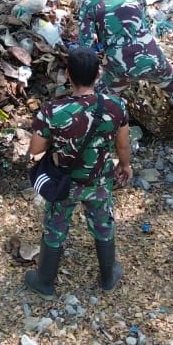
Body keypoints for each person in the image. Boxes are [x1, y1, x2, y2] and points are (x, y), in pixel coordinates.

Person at [24, 47, 132, 296]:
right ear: (98, 74)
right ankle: (108, 276)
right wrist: (125, 166)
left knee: (55, 226)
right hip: (99, 181)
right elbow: (123, 145)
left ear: (68, 75)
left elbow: (35, 150)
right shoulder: (117, 106)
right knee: (103, 222)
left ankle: (45, 281)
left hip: (64, 182)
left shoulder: (52, 111)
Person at [76, 0, 173, 166]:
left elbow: (85, 48)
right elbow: (146, 25)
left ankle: (96, 156)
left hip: (119, 69)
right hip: (152, 61)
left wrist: (85, 80)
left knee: (98, 102)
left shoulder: (90, 4)